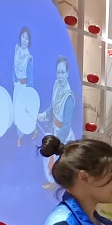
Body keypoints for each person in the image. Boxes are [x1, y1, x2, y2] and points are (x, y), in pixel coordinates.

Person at [39, 57, 76, 188]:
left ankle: (58, 185)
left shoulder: (69, 97)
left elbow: (66, 126)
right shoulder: (56, 85)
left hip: (64, 136)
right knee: (47, 157)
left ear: (67, 73)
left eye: (62, 72)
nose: (60, 76)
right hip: (55, 130)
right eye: (58, 72)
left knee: (60, 162)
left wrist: (56, 142)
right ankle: (51, 182)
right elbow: (52, 107)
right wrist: (43, 115)